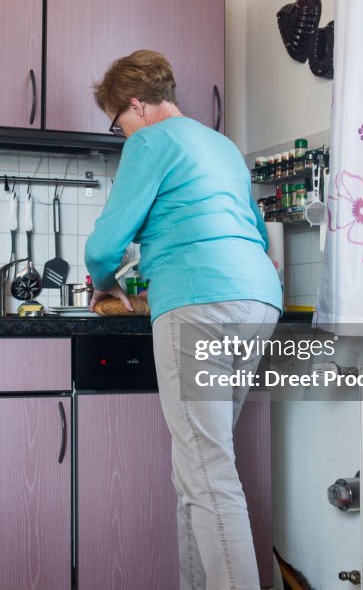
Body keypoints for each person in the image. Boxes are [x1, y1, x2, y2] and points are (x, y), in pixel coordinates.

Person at [85, 50, 283, 590]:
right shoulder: (222, 146)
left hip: (200, 302)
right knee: (196, 470)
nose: (122, 133)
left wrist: (105, 285)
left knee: (207, 473)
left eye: (118, 122)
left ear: (136, 106)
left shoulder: (150, 141)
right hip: (258, 301)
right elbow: (261, 242)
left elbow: (104, 246)